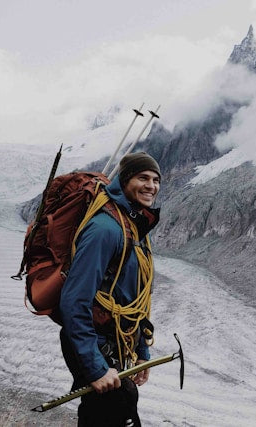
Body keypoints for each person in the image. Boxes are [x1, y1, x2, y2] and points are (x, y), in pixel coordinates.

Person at [59, 152, 162, 426]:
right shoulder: (105, 228)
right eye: (143, 178)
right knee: (116, 411)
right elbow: (74, 300)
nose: (151, 185)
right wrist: (94, 368)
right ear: (125, 180)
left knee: (112, 412)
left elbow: (132, 297)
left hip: (114, 342)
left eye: (155, 179)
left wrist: (142, 350)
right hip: (95, 341)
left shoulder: (134, 226)